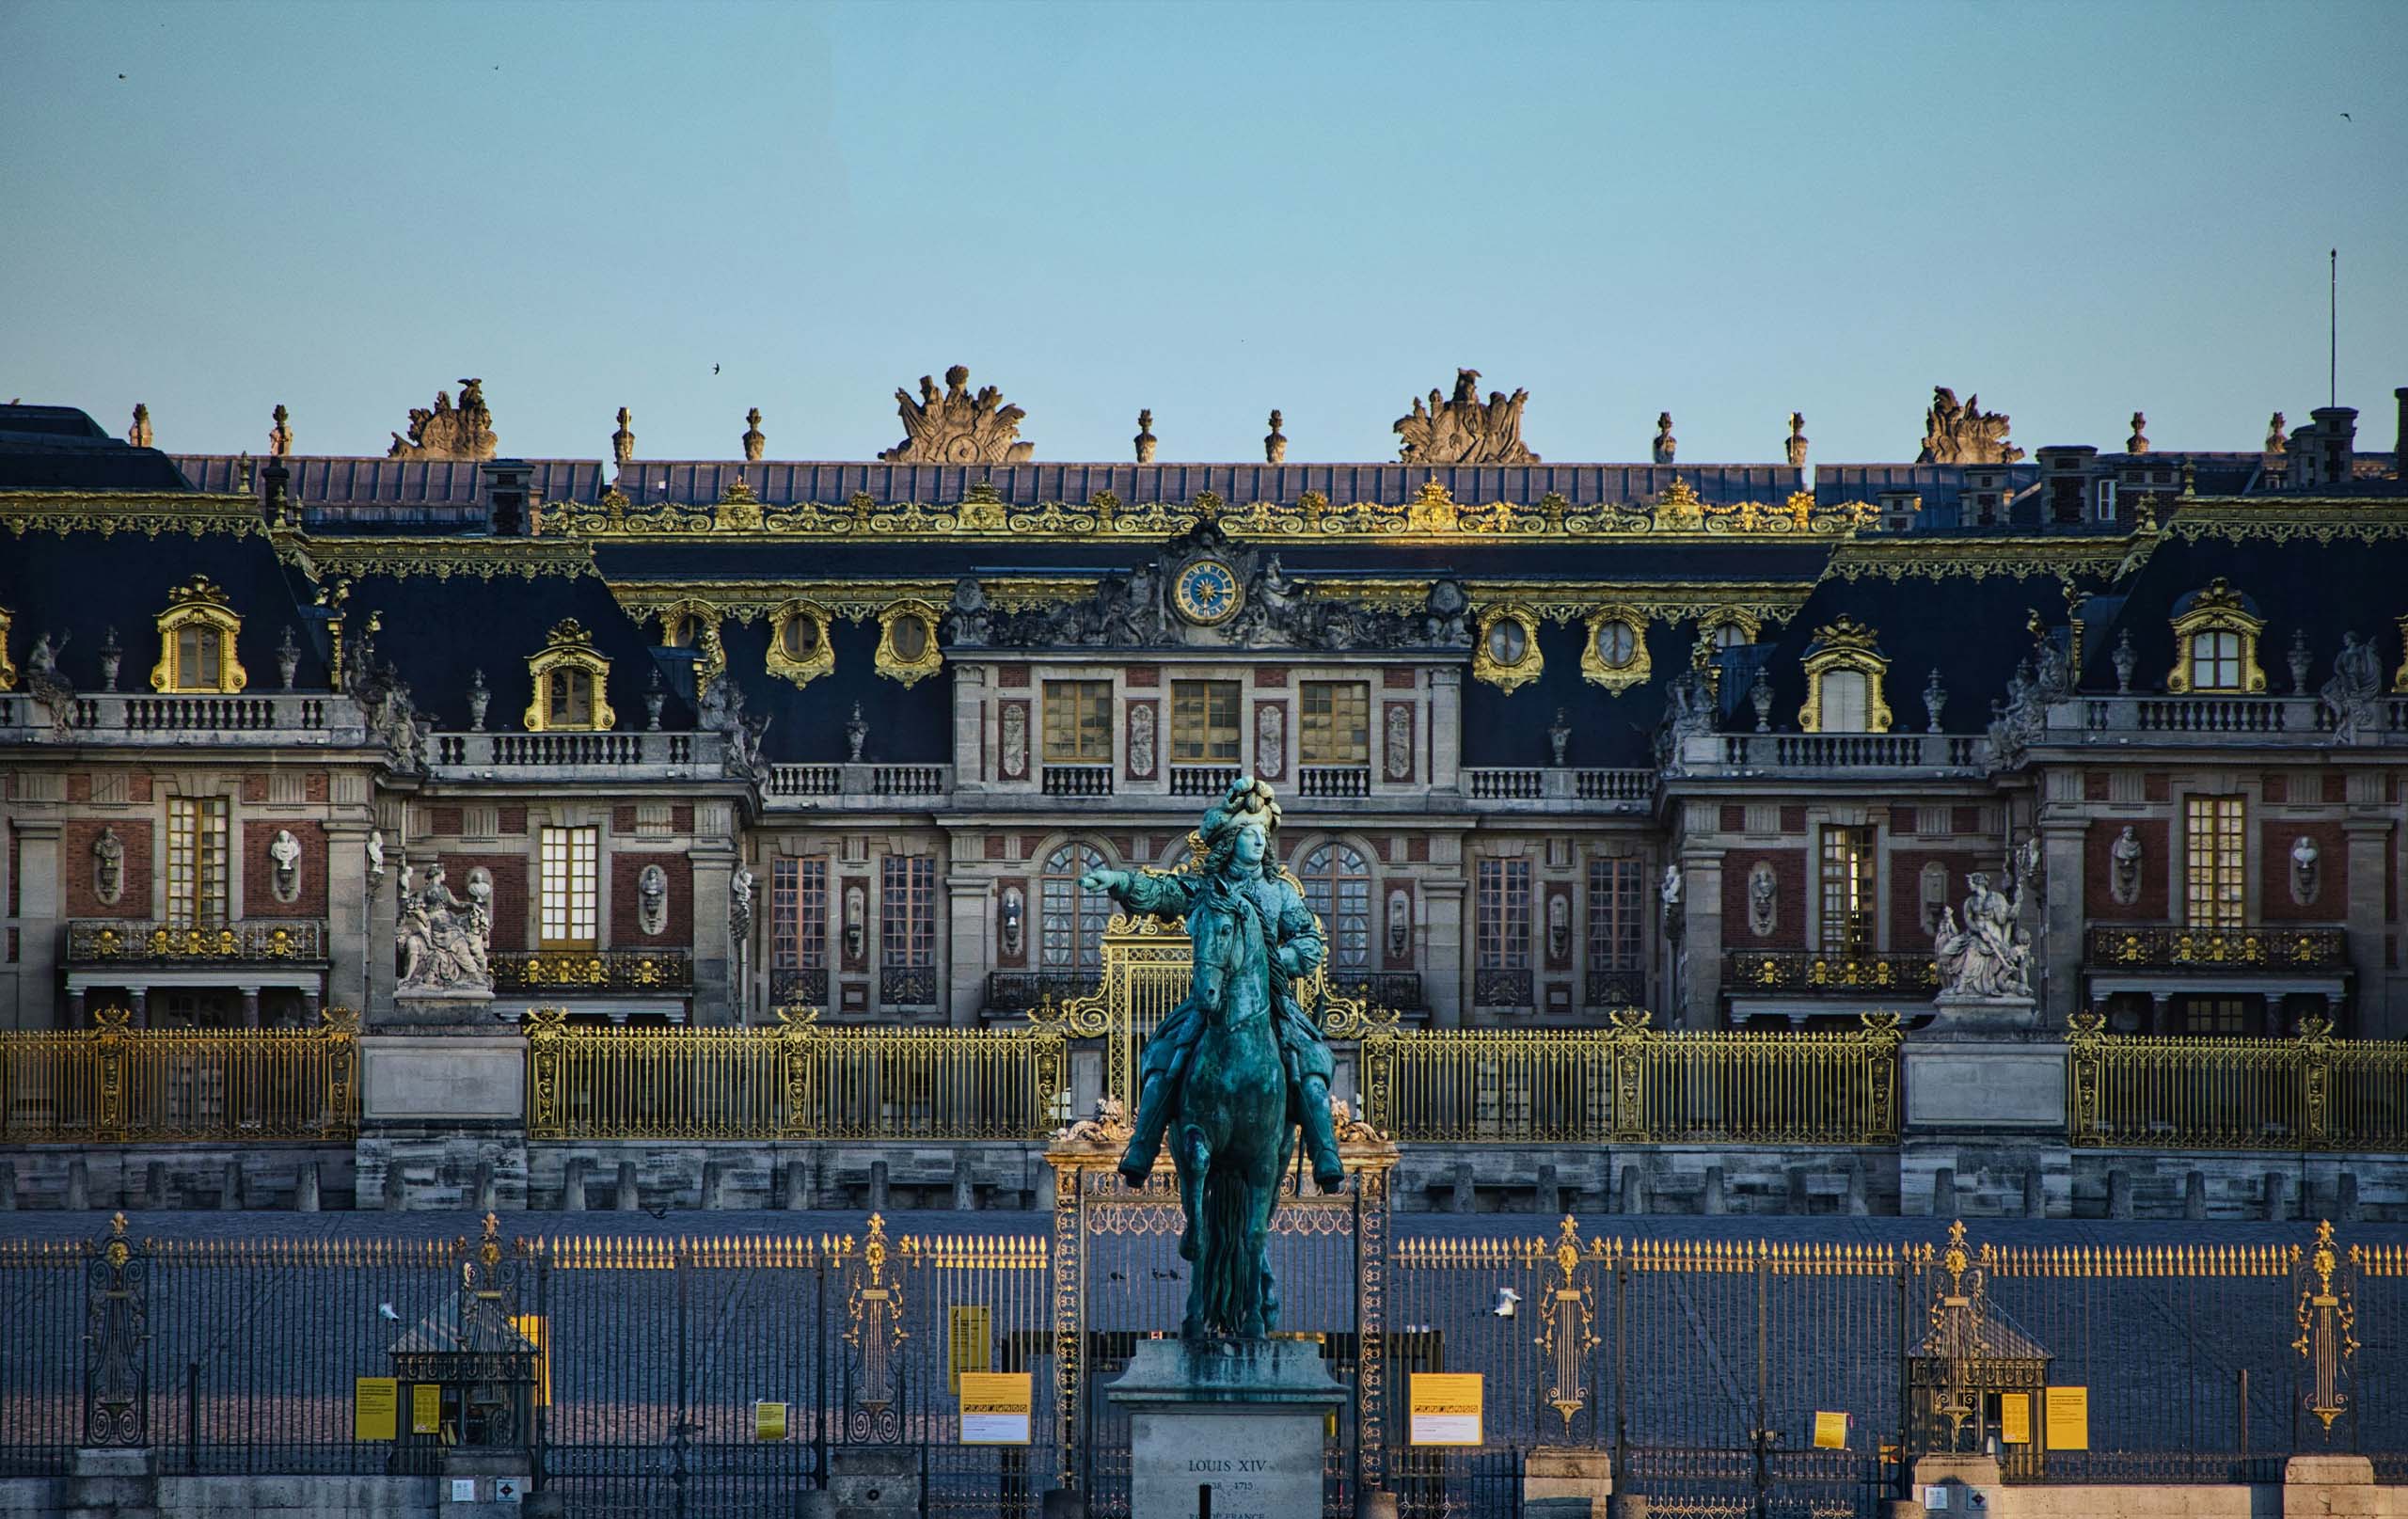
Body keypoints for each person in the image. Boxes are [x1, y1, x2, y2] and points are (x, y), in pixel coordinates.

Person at [1081, 776, 1344, 1192]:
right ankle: (1142, 1146)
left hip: (1271, 1001)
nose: (1259, 841)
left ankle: (1325, 1150)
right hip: (1210, 1000)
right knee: (1163, 1060)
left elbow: (1310, 942)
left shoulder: (1280, 893)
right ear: (1231, 841)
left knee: (1310, 1065)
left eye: (1262, 834)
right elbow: (1162, 891)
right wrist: (1120, 881)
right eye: (1249, 833)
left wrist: (1278, 961)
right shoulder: (1206, 888)